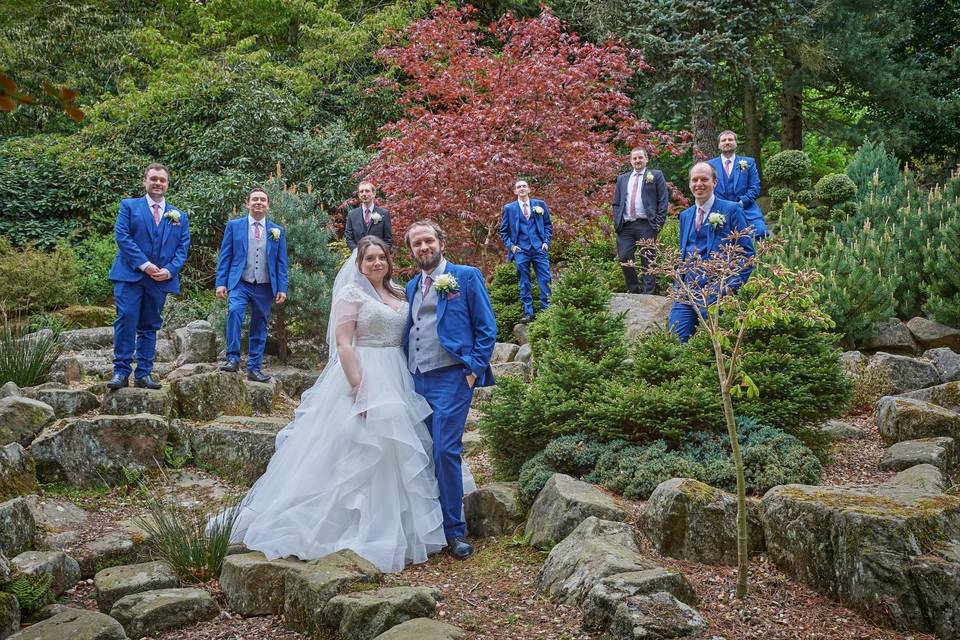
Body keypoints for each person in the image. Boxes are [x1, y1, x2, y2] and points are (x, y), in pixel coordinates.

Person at [227, 236, 447, 572]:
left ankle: (402, 525)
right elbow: (344, 344)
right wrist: (360, 388)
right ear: (358, 264)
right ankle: (339, 526)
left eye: (381, 257)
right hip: (364, 372)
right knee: (356, 448)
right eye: (369, 258)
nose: (376, 263)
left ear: (389, 261)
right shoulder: (350, 294)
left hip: (399, 374)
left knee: (397, 449)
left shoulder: (402, 293)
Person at [404, 220, 496, 560]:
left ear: (441, 242)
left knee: (445, 451)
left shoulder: (466, 276)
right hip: (415, 380)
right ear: (411, 250)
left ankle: (455, 532)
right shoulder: (412, 285)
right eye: (417, 244)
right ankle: (426, 526)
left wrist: (472, 371)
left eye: (429, 240)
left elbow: (486, 327)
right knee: (421, 454)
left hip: (452, 379)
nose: (424, 247)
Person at [107, 163, 191, 390]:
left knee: (150, 325)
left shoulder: (179, 216)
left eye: (162, 180)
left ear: (167, 184)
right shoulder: (129, 206)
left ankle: (144, 373)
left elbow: (182, 249)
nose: (158, 183)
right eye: (153, 179)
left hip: (159, 280)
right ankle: (121, 372)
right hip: (130, 276)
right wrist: (145, 265)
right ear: (145, 181)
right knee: (126, 319)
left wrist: (169, 270)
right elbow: (123, 237)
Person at [667, 162, 755, 342]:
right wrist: (678, 284)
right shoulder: (685, 215)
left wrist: (729, 286)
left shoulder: (731, 210)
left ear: (714, 182)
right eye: (695, 180)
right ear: (690, 184)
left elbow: (747, 254)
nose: (699, 183)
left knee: (715, 344)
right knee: (675, 338)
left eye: (704, 179)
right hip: (686, 290)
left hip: (717, 290)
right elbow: (684, 253)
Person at [215, 188, 289, 382]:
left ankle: (254, 368)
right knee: (234, 312)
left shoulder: (277, 230)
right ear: (247, 203)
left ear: (267, 205)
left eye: (262, 200)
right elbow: (225, 256)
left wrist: (282, 287)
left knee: (260, 324)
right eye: (255, 199)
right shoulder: (234, 226)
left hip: (265, 285)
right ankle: (232, 359)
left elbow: (282, 262)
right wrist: (221, 283)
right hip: (240, 282)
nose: (259, 202)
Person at [611, 147, 670, 294]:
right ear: (631, 161)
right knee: (625, 257)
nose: (637, 161)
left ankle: (648, 294)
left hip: (647, 224)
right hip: (625, 226)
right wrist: (617, 220)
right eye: (634, 158)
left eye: (640, 158)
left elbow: (663, 200)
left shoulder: (655, 175)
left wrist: (659, 222)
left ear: (646, 159)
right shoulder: (622, 179)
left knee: (648, 259)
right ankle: (633, 290)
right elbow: (617, 202)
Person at [498, 179, 552, 323]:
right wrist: (512, 246)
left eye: (524, 186)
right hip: (521, 250)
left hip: (539, 248)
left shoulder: (540, 205)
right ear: (515, 191)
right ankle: (528, 313)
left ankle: (547, 311)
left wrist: (546, 242)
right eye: (518, 187)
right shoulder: (509, 208)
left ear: (529, 189)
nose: (521, 188)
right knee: (524, 282)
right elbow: (503, 231)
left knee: (545, 280)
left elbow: (548, 225)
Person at [707, 130, 767, 238]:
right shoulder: (710, 165)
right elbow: (707, 190)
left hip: (746, 209)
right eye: (723, 140)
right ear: (719, 145)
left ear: (736, 143)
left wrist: (741, 203)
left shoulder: (749, 162)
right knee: (716, 237)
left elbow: (755, 188)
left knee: (761, 232)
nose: (727, 142)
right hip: (719, 211)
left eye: (730, 139)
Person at [345, 181, 393, 251]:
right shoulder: (352, 215)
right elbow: (349, 239)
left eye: (367, 191)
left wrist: (380, 253)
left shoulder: (383, 214)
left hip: (377, 257)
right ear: (358, 195)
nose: (364, 194)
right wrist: (358, 252)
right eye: (361, 192)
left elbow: (388, 239)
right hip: (359, 257)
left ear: (374, 193)